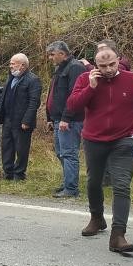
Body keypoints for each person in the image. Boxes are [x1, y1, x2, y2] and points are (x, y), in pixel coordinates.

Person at [68, 48, 133, 253]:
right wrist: (90, 87)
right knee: (93, 182)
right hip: (94, 140)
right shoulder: (84, 78)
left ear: (118, 61)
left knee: (122, 185)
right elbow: (72, 106)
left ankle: (118, 235)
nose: (108, 69)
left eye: (112, 65)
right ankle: (97, 218)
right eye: (103, 66)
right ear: (95, 65)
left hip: (123, 140)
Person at [46, 41, 88, 197]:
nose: (50, 58)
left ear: (62, 54)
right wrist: (50, 117)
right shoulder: (60, 69)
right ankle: (67, 182)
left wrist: (66, 118)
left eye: (52, 54)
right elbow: (54, 94)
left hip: (71, 120)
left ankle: (71, 188)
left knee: (69, 153)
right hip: (58, 119)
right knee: (60, 152)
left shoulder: (75, 68)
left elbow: (74, 96)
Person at [0, 53, 42, 181]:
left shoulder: (33, 80)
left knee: (21, 148)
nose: (10, 66)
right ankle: (8, 172)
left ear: (22, 65)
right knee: (6, 146)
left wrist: (27, 120)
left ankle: (19, 174)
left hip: (22, 121)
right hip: (8, 119)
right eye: (10, 64)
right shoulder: (11, 78)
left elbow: (34, 102)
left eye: (13, 64)